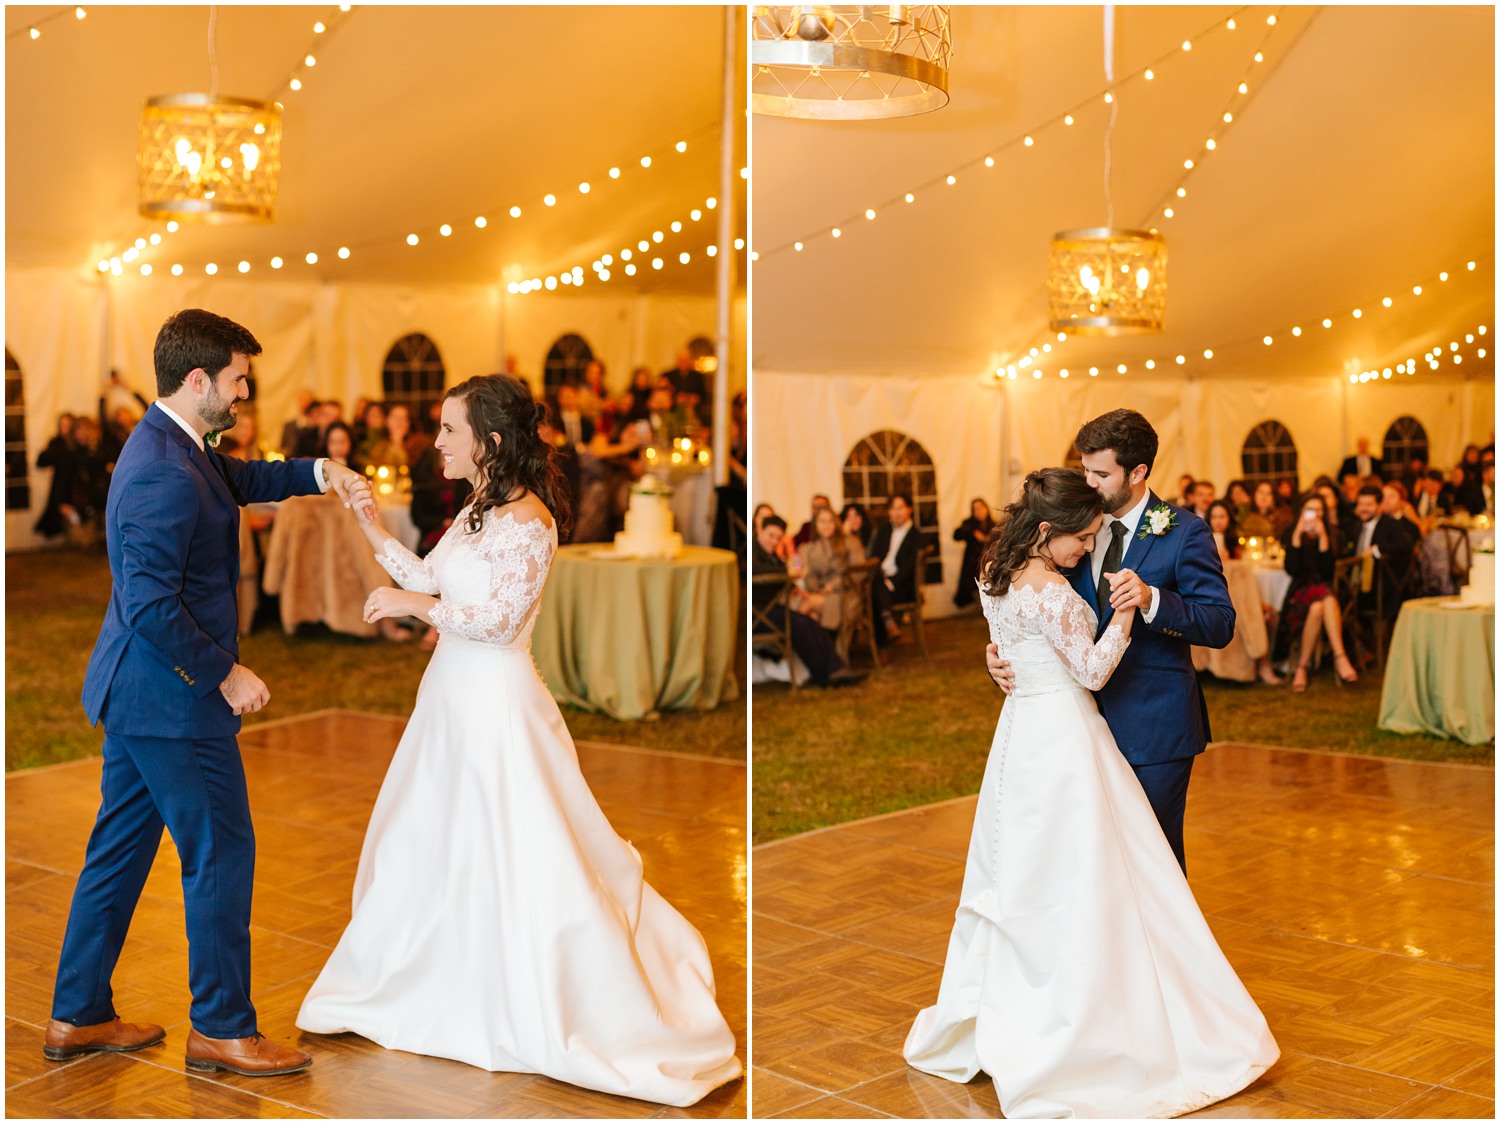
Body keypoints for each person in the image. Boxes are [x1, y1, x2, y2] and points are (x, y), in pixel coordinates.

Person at [295, 374, 742, 1105]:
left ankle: (537, 995)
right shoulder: (478, 507)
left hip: (498, 707)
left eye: (448, 430)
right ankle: (427, 980)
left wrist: (418, 607)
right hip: (448, 703)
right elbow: (428, 572)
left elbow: (500, 622)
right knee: (433, 844)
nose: (435, 441)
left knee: (516, 851)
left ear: (489, 442)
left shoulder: (532, 522)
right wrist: (372, 525)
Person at [46, 309, 372, 1077]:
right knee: (222, 851)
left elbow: (241, 479)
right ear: (199, 382)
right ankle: (223, 1025)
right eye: (238, 381)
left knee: (118, 855)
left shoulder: (178, 445)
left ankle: (77, 1013)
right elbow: (153, 602)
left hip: (140, 694)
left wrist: (319, 473)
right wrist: (225, 672)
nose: (245, 393)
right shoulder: (162, 465)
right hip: (172, 700)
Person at [907, 467, 1277, 1118]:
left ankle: (1028, 1005)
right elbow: (1093, 668)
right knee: (1086, 876)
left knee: (1031, 875)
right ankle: (1083, 1020)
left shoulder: (995, 569)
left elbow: (1007, 639)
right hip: (1064, 740)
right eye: (1080, 539)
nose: (1086, 548)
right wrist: (1127, 615)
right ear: (1048, 531)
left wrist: (1003, 659)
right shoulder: (1050, 590)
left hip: (1020, 737)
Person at [985, 409, 1234, 871]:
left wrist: (1152, 599)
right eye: (1084, 469)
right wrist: (1005, 650)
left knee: (1153, 863)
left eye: (1101, 473)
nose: (1090, 482)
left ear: (1138, 473)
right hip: (1077, 731)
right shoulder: (1073, 523)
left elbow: (1219, 623)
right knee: (1093, 869)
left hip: (1153, 729)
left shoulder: (1183, 532)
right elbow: (1036, 599)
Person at [752, 515, 866, 688]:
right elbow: (758, 572)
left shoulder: (770, 556)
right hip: (759, 614)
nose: (774, 541)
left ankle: (834, 669)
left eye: (778, 537)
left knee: (809, 621)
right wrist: (786, 573)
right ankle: (826, 673)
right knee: (801, 624)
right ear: (759, 530)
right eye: (770, 535)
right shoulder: (751, 552)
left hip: (772, 609)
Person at [1274, 492, 1358, 691]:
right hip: (1300, 594)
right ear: (1302, 511)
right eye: (1310, 510)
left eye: (1319, 510)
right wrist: (1297, 536)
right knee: (1324, 599)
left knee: (1319, 606)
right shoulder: (1291, 532)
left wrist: (1323, 538)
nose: (1315, 514)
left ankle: (1302, 668)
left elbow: (1327, 572)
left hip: (1324, 591)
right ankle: (1341, 657)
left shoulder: (1333, 533)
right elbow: (1292, 570)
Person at [795, 505, 865, 637]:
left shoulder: (849, 543)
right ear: (816, 524)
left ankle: (820, 649)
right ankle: (822, 650)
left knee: (805, 606)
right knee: (811, 614)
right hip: (820, 592)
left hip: (845, 593)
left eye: (830, 521)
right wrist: (815, 586)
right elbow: (809, 574)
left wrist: (833, 585)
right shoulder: (811, 548)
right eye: (822, 521)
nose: (826, 525)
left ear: (836, 523)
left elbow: (858, 572)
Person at [867, 494, 924, 646]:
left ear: (909, 509)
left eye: (900, 508)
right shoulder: (883, 531)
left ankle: (881, 646)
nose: (896, 512)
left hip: (901, 586)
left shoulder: (916, 536)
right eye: (893, 508)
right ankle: (888, 622)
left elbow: (909, 567)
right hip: (880, 579)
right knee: (876, 582)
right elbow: (874, 557)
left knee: (872, 593)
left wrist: (890, 582)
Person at [952, 497, 996, 608]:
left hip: (990, 562)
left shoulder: (994, 525)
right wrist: (972, 532)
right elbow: (956, 535)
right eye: (975, 509)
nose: (978, 511)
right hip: (972, 563)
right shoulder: (969, 524)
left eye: (980, 508)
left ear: (986, 508)